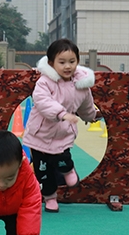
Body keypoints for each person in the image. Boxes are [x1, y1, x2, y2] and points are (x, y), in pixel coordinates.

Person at [22, 39, 98, 213]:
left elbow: (86, 105)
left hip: (62, 134)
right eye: (62, 62)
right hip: (40, 134)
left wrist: (91, 116)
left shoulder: (82, 85)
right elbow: (42, 101)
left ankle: (68, 170)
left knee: (62, 158)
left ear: (78, 62)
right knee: (43, 172)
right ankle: (50, 199)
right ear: (51, 63)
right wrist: (62, 114)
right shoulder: (45, 82)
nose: (67, 66)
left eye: (72, 62)